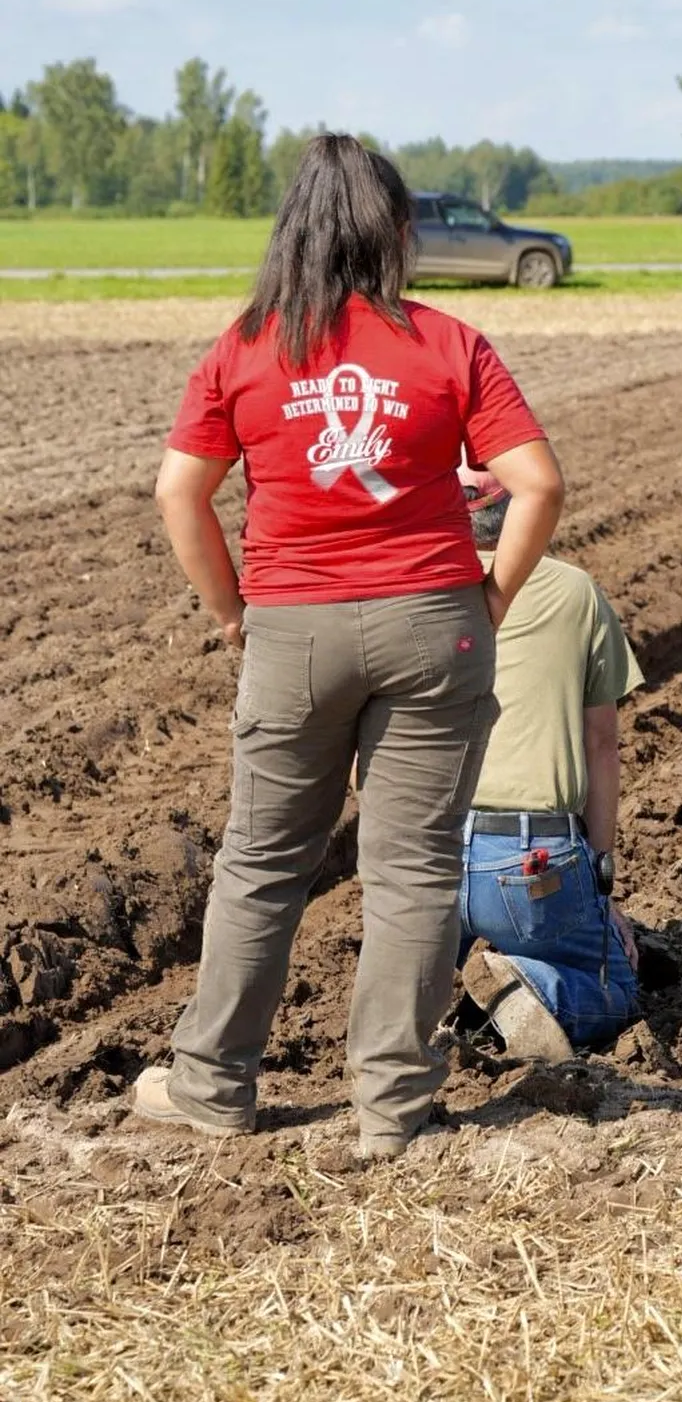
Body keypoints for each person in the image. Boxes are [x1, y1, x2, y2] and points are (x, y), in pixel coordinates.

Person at [132, 135, 565, 1159]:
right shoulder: (451, 343)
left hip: (292, 629)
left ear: (292, 232)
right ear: (395, 231)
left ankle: (212, 1085)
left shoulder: (244, 347)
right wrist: (490, 594)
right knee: (411, 870)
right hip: (433, 622)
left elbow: (176, 492)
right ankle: (392, 1111)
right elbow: (537, 483)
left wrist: (235, 612)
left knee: (262, 863)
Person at [451, 470, 643, 1059]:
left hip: (422, 843)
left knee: (406, 968)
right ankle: (534, 994)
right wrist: (601, 880)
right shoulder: (572, 589)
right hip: (526, 858)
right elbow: (601, 742)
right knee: (620, 987)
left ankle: (420, 1006)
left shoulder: (415, 590)